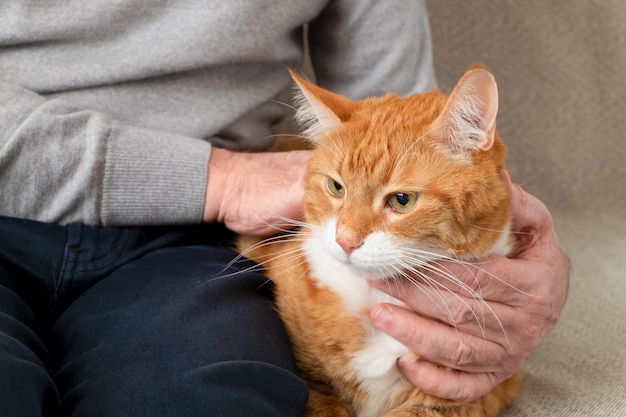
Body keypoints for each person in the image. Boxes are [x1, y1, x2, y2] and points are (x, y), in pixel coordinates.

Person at [0, 1, 568, 416]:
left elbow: (395, 117)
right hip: (208, 196)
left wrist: (509, 250)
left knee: (216, 400)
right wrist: (223, 179)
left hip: (195, 240)